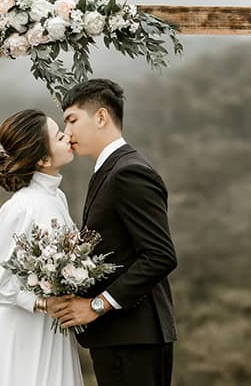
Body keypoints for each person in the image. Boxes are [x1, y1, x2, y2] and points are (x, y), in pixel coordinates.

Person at [48, 78, 178, 386]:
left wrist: (97, 305)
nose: (67, 132)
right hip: (121, 338)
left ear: (101, 117)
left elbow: (160, 255)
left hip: (134, 339)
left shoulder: (129, 171)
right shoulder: (108, 170)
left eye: (72, 120)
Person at [0, 109, 83, 386]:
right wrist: (44, 303)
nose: (67, 136)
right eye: (58, 136)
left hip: (53, 332)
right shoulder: (19, 208)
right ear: (43, 159)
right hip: (21, 335)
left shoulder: (58, 197)